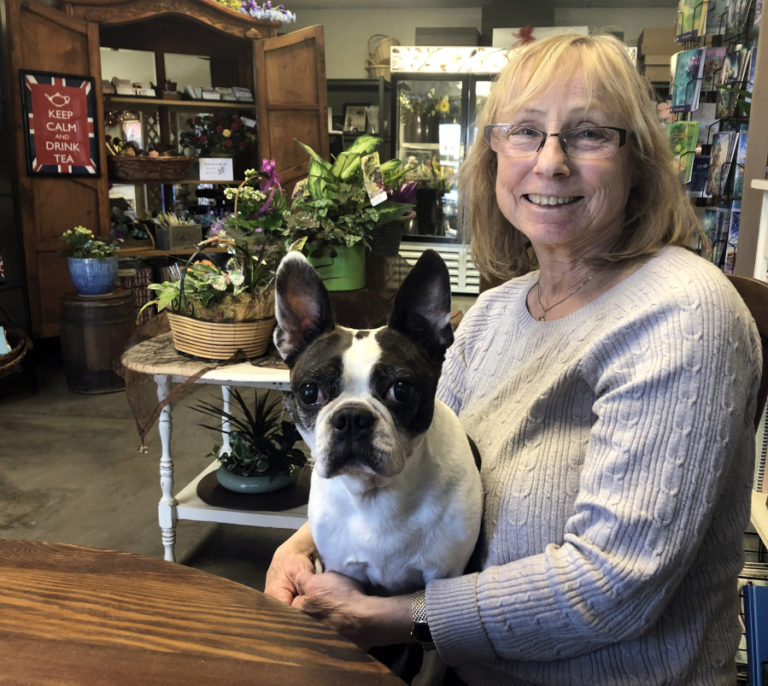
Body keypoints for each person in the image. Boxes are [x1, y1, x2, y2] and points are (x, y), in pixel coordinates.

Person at [265, 33, 762, 685]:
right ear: (493, 158)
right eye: (525, 131)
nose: (550, 162)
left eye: (588, 134)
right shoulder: (496, 314)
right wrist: (304, 545)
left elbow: (612, 588)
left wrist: (388, 617)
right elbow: (424, 466)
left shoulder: (683, 315)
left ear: (639, 161)